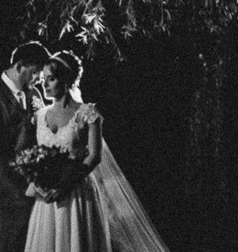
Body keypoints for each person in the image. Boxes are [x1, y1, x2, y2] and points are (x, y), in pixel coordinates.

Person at [24, 51, 173, 252]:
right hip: (48, 196)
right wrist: (39, 180)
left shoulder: (88, 113)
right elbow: (37, 155)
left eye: (51, 79)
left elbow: (94, 156)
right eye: (43, 79)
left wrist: (65, 184)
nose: (45, 85)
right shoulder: (40, 116)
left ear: (66, 80)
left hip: (76, 191)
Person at [0, 41, 52, 252]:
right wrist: (23, 190)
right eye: (35, 73)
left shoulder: (34, 95)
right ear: (19, 66)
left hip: (31, 199)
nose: (38, 80)